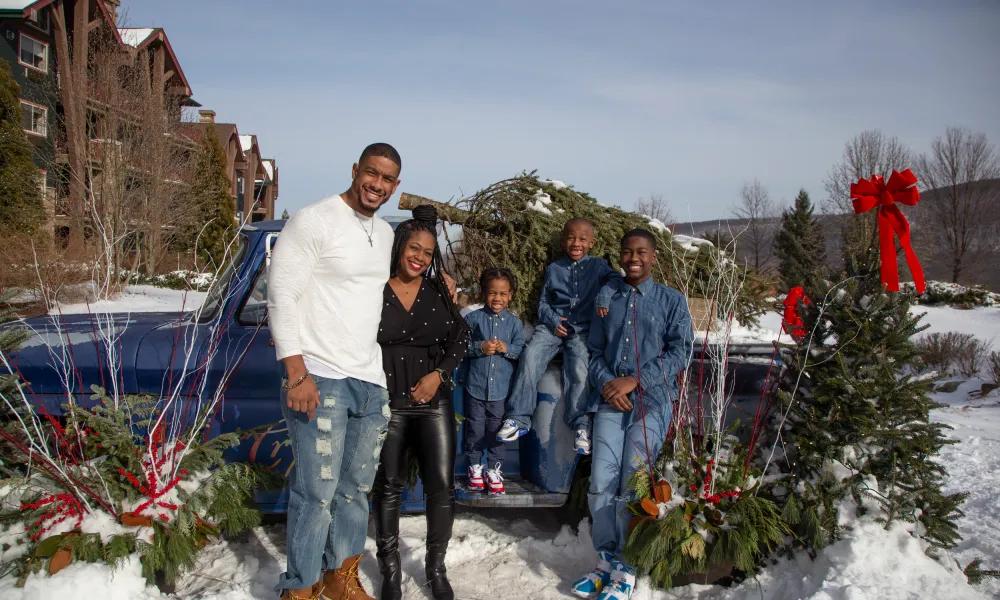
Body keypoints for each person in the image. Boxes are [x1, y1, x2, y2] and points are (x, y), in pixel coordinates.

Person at [267, 144, 403, 600]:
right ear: (355, 170)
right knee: (315, 491)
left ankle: (339, 576)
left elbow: (372, 294)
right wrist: (296, 372)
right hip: (320, 377)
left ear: (395, 185)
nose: (377, 185)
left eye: (386, 179)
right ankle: (300, 587)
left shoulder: (384, 233)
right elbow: (281, 294)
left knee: (355, 490)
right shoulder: (314, 219)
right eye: (371, 173)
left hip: (370, 380)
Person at [571, 228, 693, 600]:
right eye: (626, 252)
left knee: (632, 483)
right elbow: (592, 351)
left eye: (641, 252)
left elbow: (681, 351)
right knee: (601, 483)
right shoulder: (607, 300)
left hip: (651, 404)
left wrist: (635, 381)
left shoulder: (671, 301)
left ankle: (628, 564)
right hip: (611, 403)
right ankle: (605, 559)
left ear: (653, 257)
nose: (633, 258)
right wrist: (610, 383)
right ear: (620, 256)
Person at [371, 205, 470, 600]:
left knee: (442, 488)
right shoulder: (374, 288)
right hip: (388, 400)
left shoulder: (438, 292)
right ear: (399, 248)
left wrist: (439, 374)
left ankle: (436, 568)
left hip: (434, 402)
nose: (419, 257)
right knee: (389, 487)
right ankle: (390, 572)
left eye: (427, 253)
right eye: (414, 248)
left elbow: (460, 337)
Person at [496, 217, 619, 455]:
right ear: (564, 241)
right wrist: (553, 321)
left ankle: (582, 425)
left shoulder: (599, 267)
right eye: (571, 238)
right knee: (530, 356)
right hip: (552, 327)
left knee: (580, 367)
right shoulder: (555, 269)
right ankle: (518, 419)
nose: (576, 243)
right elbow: (543, 304)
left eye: (582, 239)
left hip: (581, 329)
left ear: (591, 243)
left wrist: (604, 295)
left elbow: (615, 280)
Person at [462, 268, 525, 495]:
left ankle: (494, 470)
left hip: (500, 391)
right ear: (483, 293)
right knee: (475, 431)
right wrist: (480, 348)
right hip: (476, 388)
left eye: (503, 294)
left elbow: (520, 351)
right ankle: (474, 468)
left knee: (497, 432)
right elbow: (460, 347)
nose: (497, 299)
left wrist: (507, 349)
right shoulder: (473, 319)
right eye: (492, 293)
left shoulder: (515, 324)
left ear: (510, 295)